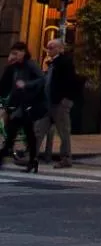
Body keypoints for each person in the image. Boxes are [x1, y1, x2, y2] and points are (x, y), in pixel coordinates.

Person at [0, 42, 44, 172]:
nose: (14, 56)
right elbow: (9, 86)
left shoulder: (30, 65)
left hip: (29, 104)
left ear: (23, 52)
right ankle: (32, 161)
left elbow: (41, 80)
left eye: (16, 53)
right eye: (12, 53)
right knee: (19, 132)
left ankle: (5, 157)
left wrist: (26, 84)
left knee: (20, 132)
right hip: (20, 105)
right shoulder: (16, 67)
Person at [37, 38, 79, 167]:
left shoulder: (64, 62)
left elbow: (70, 82)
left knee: (63, 131)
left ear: (60, 49)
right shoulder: (51, 63)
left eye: (52, 47)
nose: (48, 50)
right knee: (38, 129)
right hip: (49, 102)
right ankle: (31, 155)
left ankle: (66, 158)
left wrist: (66, 100)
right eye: (48, 47)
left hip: (59, 102)